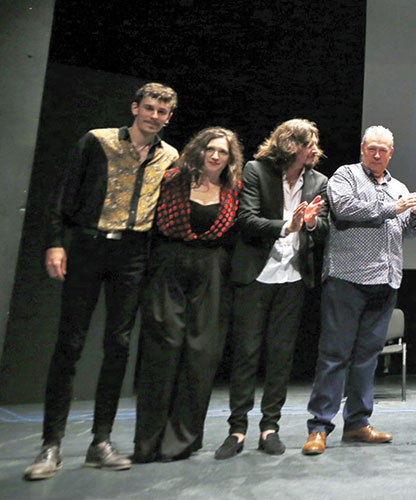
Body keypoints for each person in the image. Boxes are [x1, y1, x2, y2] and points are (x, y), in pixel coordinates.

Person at [27, 83, 179, 480]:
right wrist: (56, 243)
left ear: (169, 116)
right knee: (70, 343)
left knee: (118, 345)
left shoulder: (170, 156)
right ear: (135, 108)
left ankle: (101, 441)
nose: (154, 117)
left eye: (162, 112)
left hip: (132, 254)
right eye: (149, 109)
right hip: (89, 245)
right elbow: (65, 193)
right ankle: (51, 445)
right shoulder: (97, 141)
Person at [301, 125, 416, 455]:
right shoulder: (344, 176)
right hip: (347, 278)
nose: (377, 154)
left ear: (391, 154)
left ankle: (358, 423)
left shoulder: (399, 187)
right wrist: (397, 207)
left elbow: (404, 230)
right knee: (334, 356)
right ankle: (319, 426)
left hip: (386, 280)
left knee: (367, 358)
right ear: (362, 148)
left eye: (383, 150)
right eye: (372, 148)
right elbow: (346, 211)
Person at [216, 119, 329, 460]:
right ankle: (237, 429)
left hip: (293, 278)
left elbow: (322, 228)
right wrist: (287, 225)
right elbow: (245, 219)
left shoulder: (318, 180)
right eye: (308, 143)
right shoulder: (256, 171)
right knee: (247, 354)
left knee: (281, 356)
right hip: (256, 275)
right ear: (290, 144)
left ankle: (270, 428)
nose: (314, 149)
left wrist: (310, 223)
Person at [132, 127, 244, 462]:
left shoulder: (232, 189)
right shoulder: (173, 180)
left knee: (201, 353)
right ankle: (147, 443)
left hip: (211, 268)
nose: (215, 156)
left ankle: (181, 441)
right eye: (210, 149)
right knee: (162, 351)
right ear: (198, 149)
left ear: (230, 159)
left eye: (222, 152)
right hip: (169, 262)